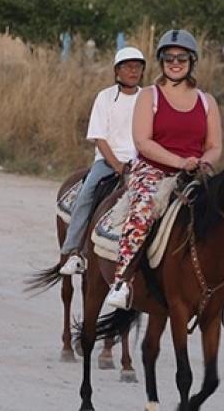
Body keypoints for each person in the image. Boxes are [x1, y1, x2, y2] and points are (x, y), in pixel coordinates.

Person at [103, 29, 224, 322]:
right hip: (154, 169)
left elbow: (215, 145)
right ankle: (123, 280)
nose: (175, 63)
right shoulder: (149, 96)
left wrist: (203, 161)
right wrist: (178, 161)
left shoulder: (206, 102)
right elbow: (143, 142)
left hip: (196, 171)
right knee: (142, 211)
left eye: (181, 58)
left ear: (192, 61)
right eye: (168, 58)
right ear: (161, 61)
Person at [58, 46, 146, 275]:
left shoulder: (147, 98)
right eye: (128, 67)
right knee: (87, 193)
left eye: (137, 67)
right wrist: (117, 166)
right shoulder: (105, 97)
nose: (133, 71)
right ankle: (75, 251)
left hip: (142, 162)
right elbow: (99, 137)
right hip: (108, 162)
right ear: (117, 71)